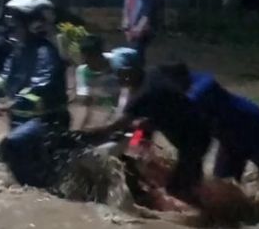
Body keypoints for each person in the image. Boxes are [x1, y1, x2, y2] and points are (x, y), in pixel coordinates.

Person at [88, 65, 211, 203]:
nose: (119, 79)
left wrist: (91, 135)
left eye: (121, 76)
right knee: (141, 135)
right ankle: (202, 197)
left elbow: (116, 126)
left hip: (194, 137)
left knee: (178, 188)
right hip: (199, 122)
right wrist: (134, 142)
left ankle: (199, 215)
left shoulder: (141, 97)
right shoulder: (154, 73)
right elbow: (180, 70)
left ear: (131, 75)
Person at [0, 0, 70, 188]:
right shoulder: (19, 51)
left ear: (31, 24)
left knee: (10, 144)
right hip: (21, 118)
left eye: (16, 23)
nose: (12, 27)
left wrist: (11, 103)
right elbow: (4, 78)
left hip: (46, 121)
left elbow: (41, 87)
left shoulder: (46, 53)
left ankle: (35, 188)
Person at [160, 63, 259, 181]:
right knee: (222, 183)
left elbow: (184, 110)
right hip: (230, 138)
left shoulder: (204, 87)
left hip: (255, 128)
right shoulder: (191, 85)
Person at [75, 36, 142, 129]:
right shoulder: (82, 71)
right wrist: (80, 128)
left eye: (90, 56)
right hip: (111, 108)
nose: (86, 61)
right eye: (84, 57)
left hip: (133, 101)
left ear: (99, 54)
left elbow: (125, 92)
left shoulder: (118, 64)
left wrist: (118, 117)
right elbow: (86, 102)